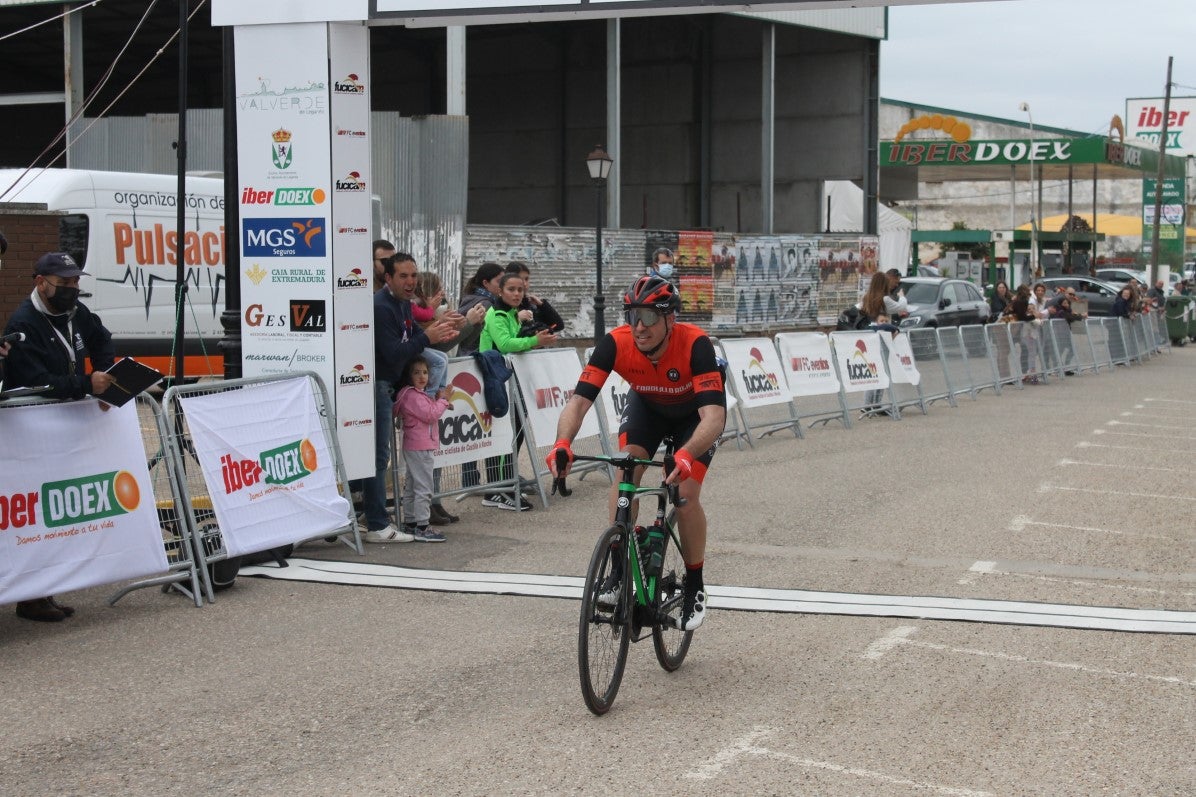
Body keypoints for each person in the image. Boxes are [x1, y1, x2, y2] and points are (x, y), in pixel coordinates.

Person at [547, 275, 726, 632]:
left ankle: (694, 583)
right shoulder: (615, 343)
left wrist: (687, 454)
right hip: (649, 407)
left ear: (669, 320)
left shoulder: (696, 345)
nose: (638, 327)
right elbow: (579, 401)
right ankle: (617, 570)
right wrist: (562, 443)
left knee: (686, 495)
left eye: (648, 317)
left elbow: (714, 417)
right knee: (625, 470)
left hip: (695, 417)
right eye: (632, 316)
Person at [3, 251, 117, 622]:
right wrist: (86, 383)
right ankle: (31, 595)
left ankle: (44, 590)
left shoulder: (75, 314)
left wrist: (104, 375)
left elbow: (101, 338)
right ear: (41, 282)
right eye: (64, 283)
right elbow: (34, 380)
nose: (72, 289)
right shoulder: (24, 322)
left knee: (56, 512)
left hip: (65, 423)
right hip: (34, 428)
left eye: (75, 283)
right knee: (35, 512)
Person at [363, 251, 460, 542]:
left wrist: (433, 335)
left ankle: (382, 517)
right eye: (403, 276)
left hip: (391, 386)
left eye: (413, 275)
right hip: (378, 385)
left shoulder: (404, 304)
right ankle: (377, 522)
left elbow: (411, 346)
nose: (410, 281)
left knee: (383, 457)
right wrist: (426, 338)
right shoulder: (381, 307)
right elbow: (394, 351)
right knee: (378, 457)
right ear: (388, 278)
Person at [477, 272, 559, 511]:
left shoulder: (514, 314)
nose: (516, 294)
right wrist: (535, 341)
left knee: (515, 435)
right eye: (511, 289)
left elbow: (519, 342)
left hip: (512, 382)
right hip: (497, 382)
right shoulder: (497, 314)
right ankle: (495, 490)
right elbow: (504, 345)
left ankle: (507, 483)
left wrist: (534, 337)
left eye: (520, 290)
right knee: (502, 437)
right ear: (499, 292)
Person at [393, 356, 451, 543]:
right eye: (416, 372)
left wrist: (439, 402)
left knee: (412, 485)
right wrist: (443, 401)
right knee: (424, 486)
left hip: (414, 445)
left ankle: (411, 522)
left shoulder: (413, 395)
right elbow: (430, 415)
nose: (422, 376)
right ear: (408, 375)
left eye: (425, 372)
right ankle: (423, 526)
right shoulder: (413, 396)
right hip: (421, 446)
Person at [504, 261, 564, 333]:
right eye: (520, 279)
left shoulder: (530, 305)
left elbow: (558, 325)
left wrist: (542, 305)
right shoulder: (501, 305)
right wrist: (516, 319)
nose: (525, 284)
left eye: (526, 279)